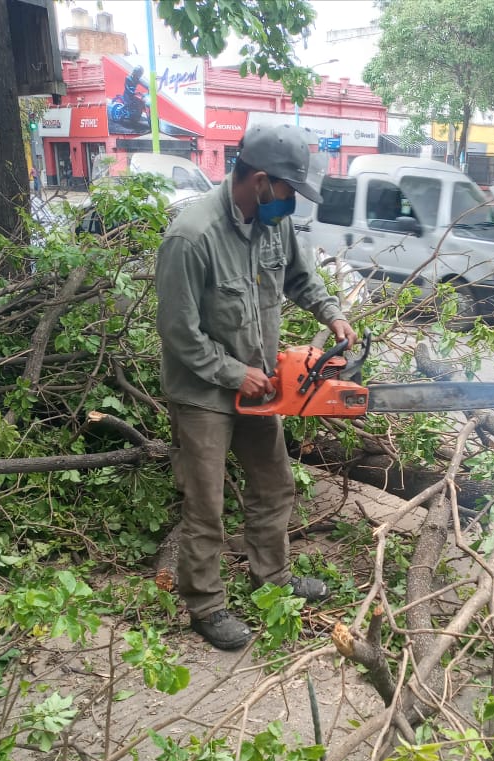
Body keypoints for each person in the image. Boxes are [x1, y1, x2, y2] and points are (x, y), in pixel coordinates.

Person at [155, 125, 356, 651]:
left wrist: (331, 313)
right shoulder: (192, 236)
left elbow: (300, 278)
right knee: (206, 504)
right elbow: (178, 331)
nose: (292, 203)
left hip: (259, 384)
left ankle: (272, 578)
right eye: (289, 191)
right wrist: (231, 372)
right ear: (261, 181)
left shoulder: (274, 225)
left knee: (274, 484)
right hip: (203, 393)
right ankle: (205, 604)